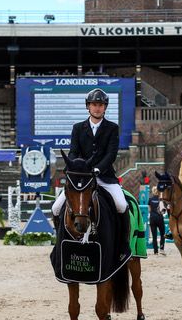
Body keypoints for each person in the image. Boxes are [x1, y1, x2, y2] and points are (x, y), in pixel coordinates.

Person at [51, 88, 130, 258]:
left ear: (105, 107)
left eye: (101, 105)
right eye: (94, 104)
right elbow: (73, 152)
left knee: (121, 205)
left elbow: (111, 154)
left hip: (104, 177)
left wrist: (98, 168)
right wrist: (74, 166)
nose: (97, 108)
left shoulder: (112, 128)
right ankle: (59, 245)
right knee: (56, 207)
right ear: (88, 106)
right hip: (82, 178)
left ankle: (123, 245)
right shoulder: (78, 128)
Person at [148, 187, 165, 255]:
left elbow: (149, 210)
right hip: (160, 218)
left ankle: (155, 251)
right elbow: (163, 210)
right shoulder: (161, 200)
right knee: (162, 234)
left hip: (152, 218)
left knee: (154, 236)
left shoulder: (150, 200)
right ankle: (161, 248)